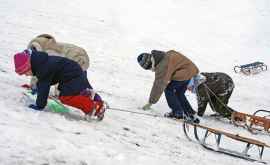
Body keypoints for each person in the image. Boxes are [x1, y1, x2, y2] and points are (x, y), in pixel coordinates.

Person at [14, 49, 105, 120]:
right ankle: (92, 97)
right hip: (73, 71)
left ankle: (94, 107)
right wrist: (38, 88)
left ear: (28, 66)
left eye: (25, 72)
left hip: (71, 75)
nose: (26, 75)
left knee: (66, 97)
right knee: (78, 89)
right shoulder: (42, 63)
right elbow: (47, 80)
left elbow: (44, 86)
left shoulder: (42, 69)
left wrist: (39, 105)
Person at [137, 50, 199, 122]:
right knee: (179, 93)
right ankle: (190, 113)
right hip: (191, 71)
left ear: (150, 63)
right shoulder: (163, 56)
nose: (151, 70)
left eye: (149, 68)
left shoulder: (162, 66)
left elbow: (158, 85)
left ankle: (177, 113)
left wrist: (151, 102)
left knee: (169, 90)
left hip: (184, 72)